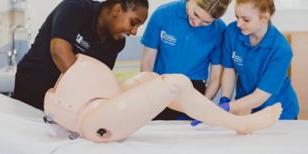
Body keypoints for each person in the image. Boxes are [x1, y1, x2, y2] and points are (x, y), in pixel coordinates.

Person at [44, 53, 283, 143]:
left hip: (103, 104)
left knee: (151, 77)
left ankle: (220, 118)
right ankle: (240, 123)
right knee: (175, 84)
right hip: (92, 120)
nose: (132, 31)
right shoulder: (61, 47)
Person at [13, 0, 149, 110]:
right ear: (117, 10)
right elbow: (59, 51)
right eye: (133, 22)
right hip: (32, 88)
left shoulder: (116, 43)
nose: (134, 32)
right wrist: (87, 92)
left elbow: (100, 76)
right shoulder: (77, 8)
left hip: (62, 100)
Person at [140, 0, 239, 120]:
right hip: (159, 84)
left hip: (193, 89)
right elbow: (147, 61)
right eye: (196, 15)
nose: (196, 23)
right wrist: (147, 93)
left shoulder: (219, 30)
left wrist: (203, 104)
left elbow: (215, 77)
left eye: (206, 22)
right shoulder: (163, 14)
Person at [218, 0, 299, 119]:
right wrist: (225, 98)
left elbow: (260, 96)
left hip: (279, 112)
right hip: (246, 108)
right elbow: (229, 70)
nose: (238, 24)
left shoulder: (281, 49)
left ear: (265, 17)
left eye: (246, 19)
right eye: (237, 17)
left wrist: (226, 108)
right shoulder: (232, 32)